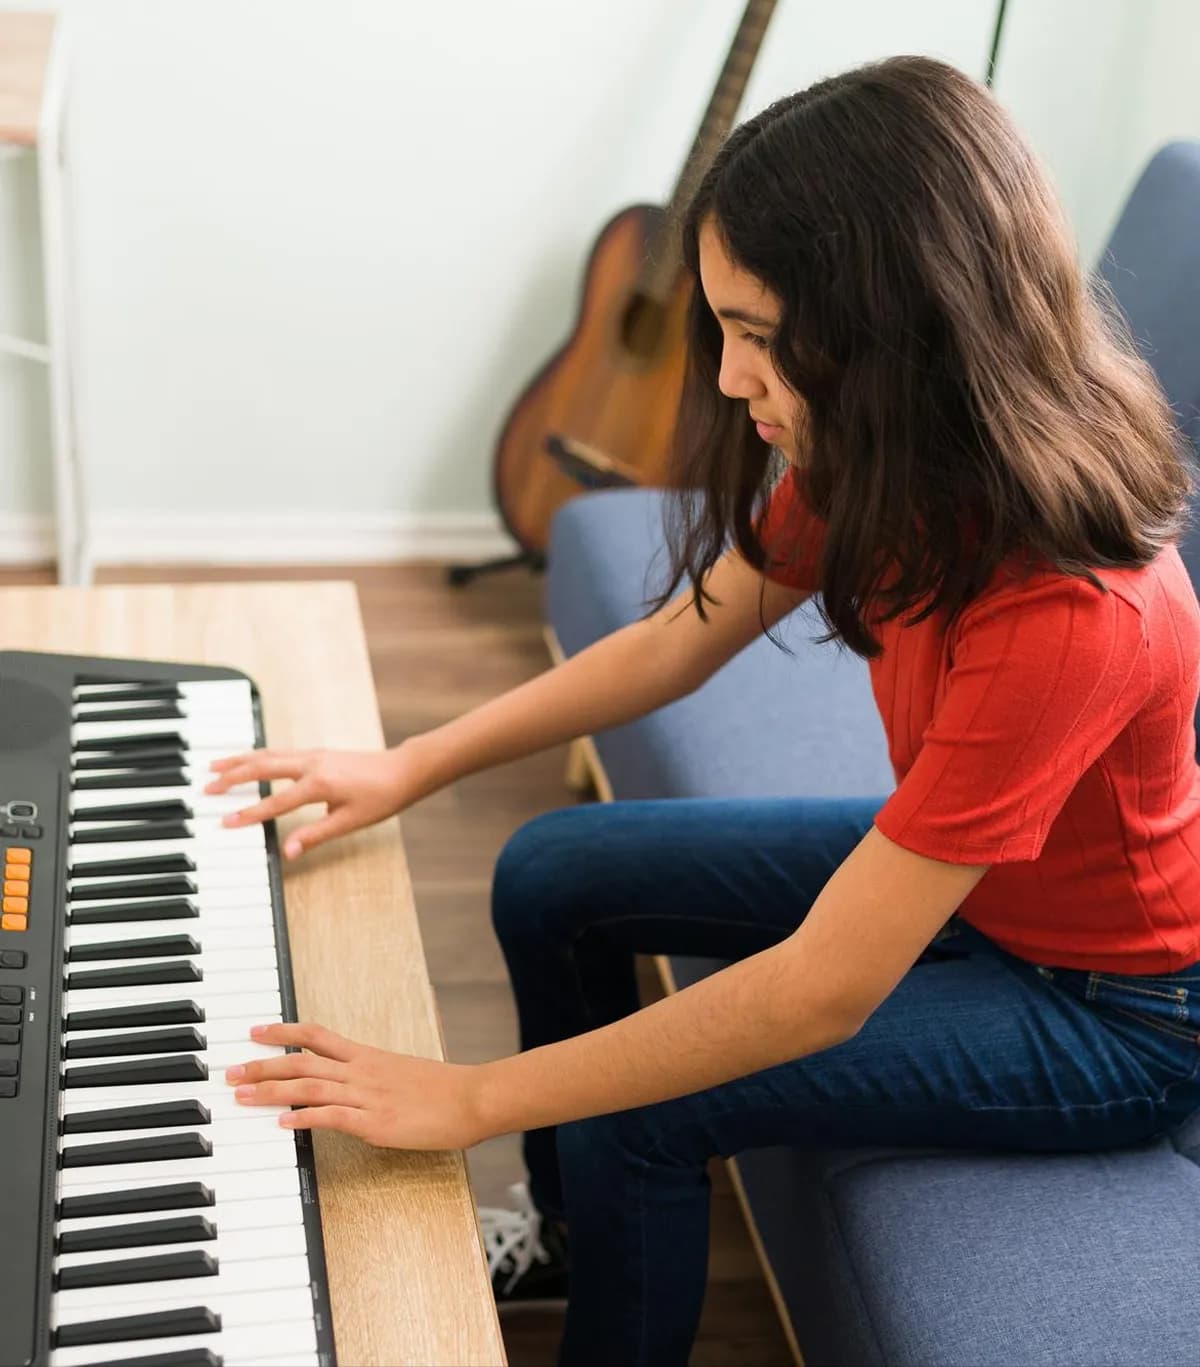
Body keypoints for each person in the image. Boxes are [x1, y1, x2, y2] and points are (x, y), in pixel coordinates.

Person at [208, 55, 1200, 1367]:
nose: (730, 379)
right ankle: (574, 1234)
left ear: (890, 330)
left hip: (1108, 1012)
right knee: (556, 868)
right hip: (974, 890)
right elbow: (684, 638)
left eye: (756, 332)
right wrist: (413, 761)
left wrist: (468, 1099)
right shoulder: (882, 452)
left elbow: (818, 996)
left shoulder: (1072, 609)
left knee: (640, 1110)